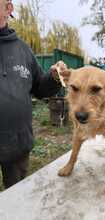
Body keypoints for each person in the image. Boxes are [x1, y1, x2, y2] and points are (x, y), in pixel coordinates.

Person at [0, 0, 62, 189]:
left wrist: (53, 78)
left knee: (17, 197)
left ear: (7, 8)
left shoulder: (23, 50)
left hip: (17, 143)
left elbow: (40, 89)